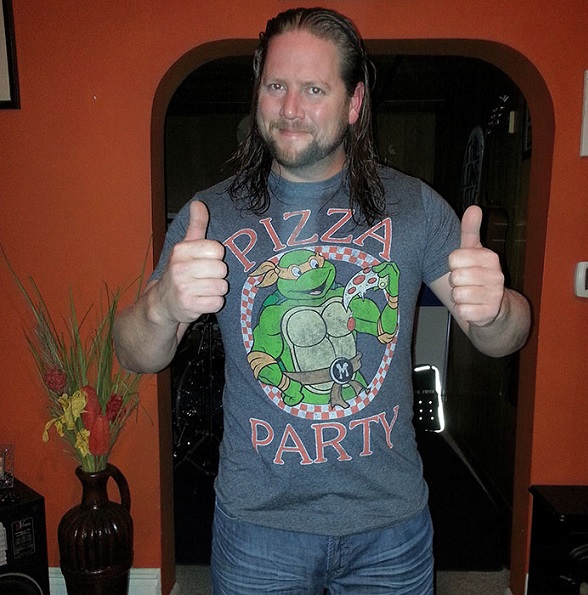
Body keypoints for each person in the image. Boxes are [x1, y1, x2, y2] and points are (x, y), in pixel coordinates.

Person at [115, 7, 531, 594]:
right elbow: (132, 353)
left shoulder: (415, 207)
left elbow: (505, 339)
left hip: (389, 525)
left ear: (354, 103)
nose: (290, 108)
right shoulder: (210, 214)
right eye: (276, 86)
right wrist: (162, 306)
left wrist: (498, 308)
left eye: (314, 89)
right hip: (258, 527)